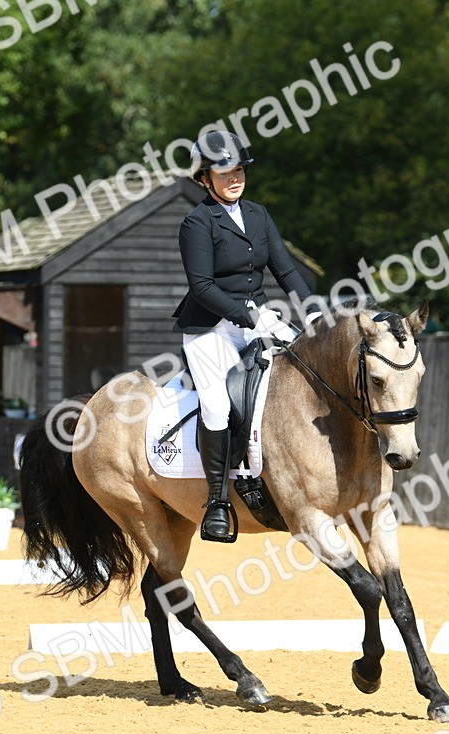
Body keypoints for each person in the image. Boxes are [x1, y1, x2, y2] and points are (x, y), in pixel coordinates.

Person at [172, 130, 315, 543]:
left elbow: (286, 271)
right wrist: (248, 316)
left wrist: (314, 313)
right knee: (217, 404)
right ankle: (216, 503)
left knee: (300, 376)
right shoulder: (197, 222)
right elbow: (202, 287)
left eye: (239, 170)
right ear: (204, 178)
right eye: (225, 173)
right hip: (209, 327)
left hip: (257, 319)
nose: (234, 178)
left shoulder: (258, 214)